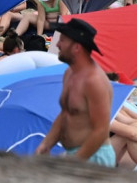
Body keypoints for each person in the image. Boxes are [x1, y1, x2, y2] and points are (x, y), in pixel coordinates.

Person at [36, 18, 115, 166]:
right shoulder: (69, 73)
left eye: (63, 40)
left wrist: (75, 161)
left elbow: (101, 130)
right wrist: (46, 144)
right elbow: (66, 113)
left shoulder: (94, 81)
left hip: (95, 157)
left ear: (77, 47)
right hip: (77, 155)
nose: (58, 44)